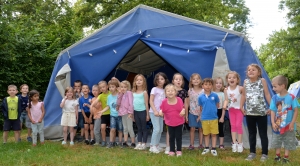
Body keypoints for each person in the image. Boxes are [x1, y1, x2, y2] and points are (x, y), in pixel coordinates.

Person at [241, 64, 271, 162]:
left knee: (263, 134)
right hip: (249, 113)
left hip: (262, 113)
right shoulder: (245, 82)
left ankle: (265, 153)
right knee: (252, 134)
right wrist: (241, 106)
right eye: (249, 70)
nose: (251, 71)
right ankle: (252, 152)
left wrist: (272, 107)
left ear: (259, 73)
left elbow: (267, 94)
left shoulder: (262, 81)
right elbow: (244, 95)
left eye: (253, 70)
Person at [269, 75, 299, 164]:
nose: (273, 89)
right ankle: (277, 156)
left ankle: (286, 157)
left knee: (288, 140)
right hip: (278, 125)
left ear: (282, 86)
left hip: (288, 125)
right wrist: (273, 122)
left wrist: (292, 123)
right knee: (277, 140)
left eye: (275, 86)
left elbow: (296, 111)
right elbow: (273, 111)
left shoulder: (292, 97)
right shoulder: (274, 98)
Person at [164, 73, 189, 154]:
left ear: (182, 81)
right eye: (176, 79)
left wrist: (186, 115)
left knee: (178, 134)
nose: (178, 81)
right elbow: (165, 105)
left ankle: (178, 149)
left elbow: (186, 104)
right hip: (170, 117)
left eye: (180, 79)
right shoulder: (169, 92)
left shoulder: (184, 92)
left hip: (180, 117)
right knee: (170, 133)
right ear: (173, 81)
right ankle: (169, 147)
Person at [159, 84, 185, 157]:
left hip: (179, 122)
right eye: (168, 91)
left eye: (172, 91)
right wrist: (160, 112)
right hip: (170, 123)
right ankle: (172, 150)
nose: (170, 92)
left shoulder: (179, 100)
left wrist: (183, 111)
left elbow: (183, 107)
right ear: (165, 93)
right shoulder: (164, 102)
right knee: (171, 137)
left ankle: (179, 151)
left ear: (175, 92)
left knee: (178, 137)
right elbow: (162, 109)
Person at [224, 72, 245, 153]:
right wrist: (225, 105)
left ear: (237, 80)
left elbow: (244, 97)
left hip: (239, 109)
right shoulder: (226, 89)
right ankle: (234, 143)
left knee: (238, 125)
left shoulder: (240, 88)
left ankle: (240, 143)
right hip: (231, 110)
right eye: (229, 78)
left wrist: (242, 107)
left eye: (234, 78)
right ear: (227, 80)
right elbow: (226, 99)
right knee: (232, 126)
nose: (231, 79)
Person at [198, 78, 220, 156]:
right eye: (206, 84)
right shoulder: (200, 97)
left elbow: (217, 105)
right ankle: (206, 147)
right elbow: (201, 107)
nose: (208, 86)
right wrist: (200, 115)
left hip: (214, 118)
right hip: (204, 118)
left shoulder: (215, 95)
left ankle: (213, 148)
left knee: (214, 134)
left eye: (210, 84)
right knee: (206, 134)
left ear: (212, 86)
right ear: (202, 86)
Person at [99, 80, 123, 148]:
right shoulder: (109, 97)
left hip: (120, 115)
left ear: (116, 87)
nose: (111, 88)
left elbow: (122, 87)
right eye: (110, 87)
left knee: (120, 130)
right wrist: (102, 111)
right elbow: (108, 106)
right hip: (112, 115)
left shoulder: (119, 95)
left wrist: (118, 81)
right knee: (112, 129)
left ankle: (120, 143)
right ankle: (111, 142)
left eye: (113, 87)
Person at [149, 72, 169, 153]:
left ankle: (156, 145)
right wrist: (154, 111)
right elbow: (151, 100)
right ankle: (152, 146)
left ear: (165, 80)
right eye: (158, 79)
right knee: (156, 129)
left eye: (162, 79)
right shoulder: (154, 89)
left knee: (160, 130)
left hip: (161, 113)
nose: (160, 81)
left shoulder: (165, 90)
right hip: (153, 112)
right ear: (156, 81)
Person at [186, 73, 204, 150]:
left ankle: (200, 144)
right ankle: (191, 144)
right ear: (191, 81)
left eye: (197, 79)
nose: (196, 80)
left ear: (200, 80)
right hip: (192, 112)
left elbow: (205, 103)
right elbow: (187, 103)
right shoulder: (189, 90)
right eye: (194, 79)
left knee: (201, 129)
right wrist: (186, 115)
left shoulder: (203, 90)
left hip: (202, 113)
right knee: (192, 129)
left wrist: (201, 114)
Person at [132, 74, 149, 150]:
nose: (139, 81)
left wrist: (147, 115)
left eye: (140, 80)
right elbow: (132, 104)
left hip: (143, 111)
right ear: (135, 82)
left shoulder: (144, 92)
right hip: (136, 112)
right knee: (139, 128)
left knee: (143, 128)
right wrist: (132, 115)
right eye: (137, 80)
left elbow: (146, 104)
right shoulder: (133, 92)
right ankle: (139, 143)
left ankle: (144, 143)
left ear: (143, 82)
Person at [91, 81, 111, 147]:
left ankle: (112, 142)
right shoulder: (100, 96)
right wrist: (91, 105)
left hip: (112, 114)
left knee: (113, 129)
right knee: (102, 128)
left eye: (103, 87)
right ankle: (104, 141)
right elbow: (94, 103)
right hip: (104, 114)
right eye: (101, 88)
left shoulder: (111, 93)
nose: (102, 88)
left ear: (107, 87)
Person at [117, 80, 135, 148]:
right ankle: (125, 142)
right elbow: (118, 103)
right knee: (125, 128)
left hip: (128, 113)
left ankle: (133, 142)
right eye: (121, 87)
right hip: (122, 113)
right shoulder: (122, 94)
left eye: (125, 87)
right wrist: (119, 94)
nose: (123, 88)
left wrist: (130, 112)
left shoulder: (129, 93)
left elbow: (131, 103)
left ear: (127, 87)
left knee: (130, 128)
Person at [213, 77, 226, 149]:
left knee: (221, 128)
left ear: (222, 84)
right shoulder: (211, 93)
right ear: (214, 84)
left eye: (220, 83)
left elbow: (224, 106)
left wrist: (222, 117)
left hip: (220, 111)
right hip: (212, 112)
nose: (218, 84)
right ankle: (213, 144)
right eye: (217, 83)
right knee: (213, 128)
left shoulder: (223, 94)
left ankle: (221, 144)